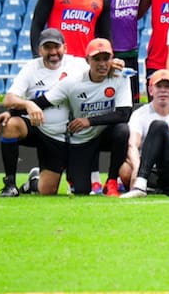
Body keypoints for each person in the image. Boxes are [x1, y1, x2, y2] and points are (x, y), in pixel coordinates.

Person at [24, 38, 133, 196]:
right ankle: (34, 181)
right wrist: (17, 109)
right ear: (87, 60)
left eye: (106, 58)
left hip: (103, 133)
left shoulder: (120, 76)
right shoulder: (72, 82)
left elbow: (124, 114)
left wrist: (89, 121)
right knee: (81, 190)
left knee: (122, 131)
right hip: (81, 139)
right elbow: (43, 101)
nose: (102, 64)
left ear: (112, 59)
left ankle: (112, 182)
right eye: (97, 59)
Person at [0, 28, 89, 197]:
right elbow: (8, 99)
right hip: (35, 126)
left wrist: (114, 65)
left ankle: (32, 183)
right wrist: (27, 104)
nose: (53, 52)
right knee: (10, 125)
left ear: (65, 48)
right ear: (40, 50)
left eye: (56, 47)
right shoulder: (31, 68)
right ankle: (10, 184)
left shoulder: (78, 65)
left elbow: (100, 72)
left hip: (59, 133)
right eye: (48, 48)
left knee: (48, 190)